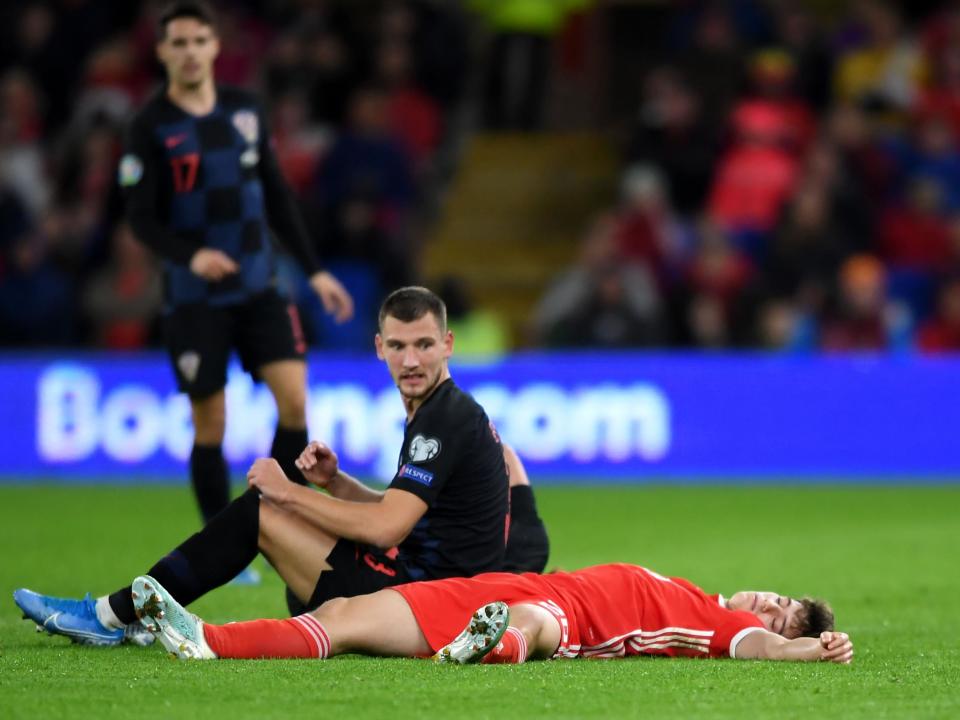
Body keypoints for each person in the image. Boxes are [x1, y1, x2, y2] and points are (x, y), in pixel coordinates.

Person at [14, 286, 549, 646]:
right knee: (288, 557)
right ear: (379, 347)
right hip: (440, 589)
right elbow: (407, 512)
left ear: (448, 345)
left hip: (427, 603)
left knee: (260, 514)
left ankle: (113, 616)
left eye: (425, 345)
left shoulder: (442, 419)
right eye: (400, 346)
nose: (412, 361)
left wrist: (288, 491)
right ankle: (131, 614)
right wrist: (336, 484)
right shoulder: (444, 412)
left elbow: (389, 526)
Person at [119, 1, 354, 545]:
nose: (190, 52)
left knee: (295, 399)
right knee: (212, 423)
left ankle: (271, 518)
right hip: (194, 294)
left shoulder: (246, 111)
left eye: (199, 41)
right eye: (178, 43)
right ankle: (220, 538)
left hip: (260, 283)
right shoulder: (150, 126)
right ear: (162, 52)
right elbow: (140, 218)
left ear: (215, 47)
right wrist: (190, 254)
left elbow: (275, 193)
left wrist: (315, 272)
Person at [127, 561, 852, 665]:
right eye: (781, 598)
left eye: (784, 615)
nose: (770, 607)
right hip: (522, 580)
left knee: (530, 623)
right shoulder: (697, 590)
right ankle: (210, 639)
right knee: (344, 611)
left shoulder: (725, 628)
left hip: (575, 619)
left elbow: (755, 648)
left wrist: (802, 651)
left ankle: (492, 648)